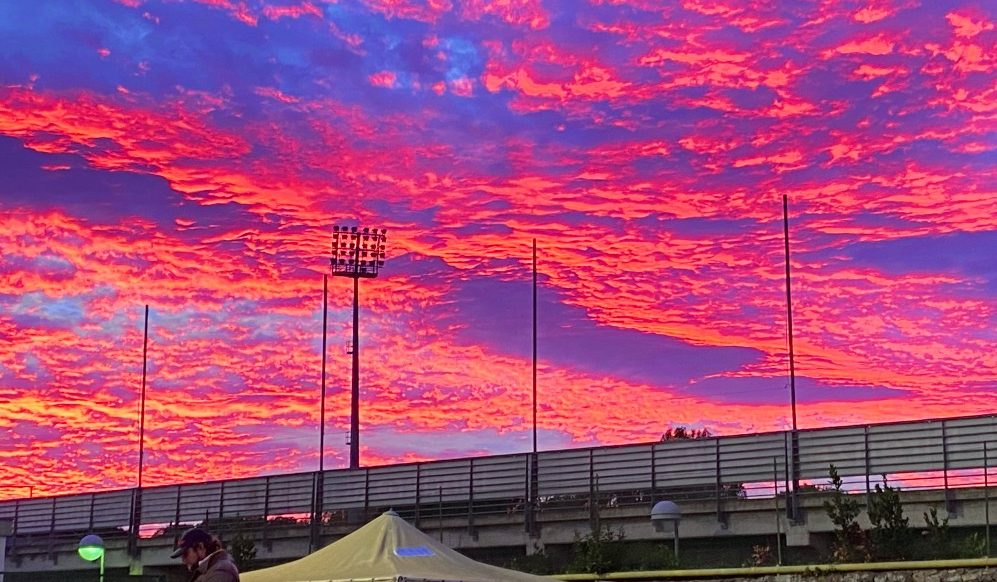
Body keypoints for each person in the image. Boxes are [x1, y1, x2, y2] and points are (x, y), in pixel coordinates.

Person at [170, 527, 240, 582]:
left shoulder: (220, 571)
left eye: (185, 554)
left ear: (200, 547)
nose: (184, 561)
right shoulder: (212, 569)